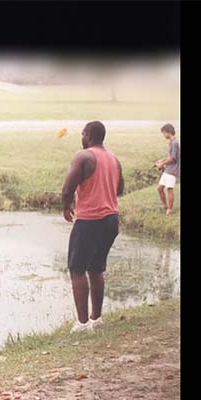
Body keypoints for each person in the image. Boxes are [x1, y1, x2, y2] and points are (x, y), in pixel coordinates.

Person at [60, 121, 124, 333]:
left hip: (90, 219)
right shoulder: (114, 159)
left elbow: (68, 187)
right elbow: (120, 188)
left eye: (82, 134)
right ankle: (96, 319)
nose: (82, 137)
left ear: (88, 135)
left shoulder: (84, 156)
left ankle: (83, 324)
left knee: (77, 269)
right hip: (111, 219)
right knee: (96, 269)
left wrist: (66, 206)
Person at [155, 123, 180, 215]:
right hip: (168, 169)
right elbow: (171, 156)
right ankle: (166, 206)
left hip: (172, 170)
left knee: (169, 189)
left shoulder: (175, 143)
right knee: (160, 188)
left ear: (168, 132)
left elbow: (173, 159)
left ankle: (170, 209)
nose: (164, 135)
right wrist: (162, 160)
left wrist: (162, 164)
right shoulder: (172, 142)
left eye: (164, 133)